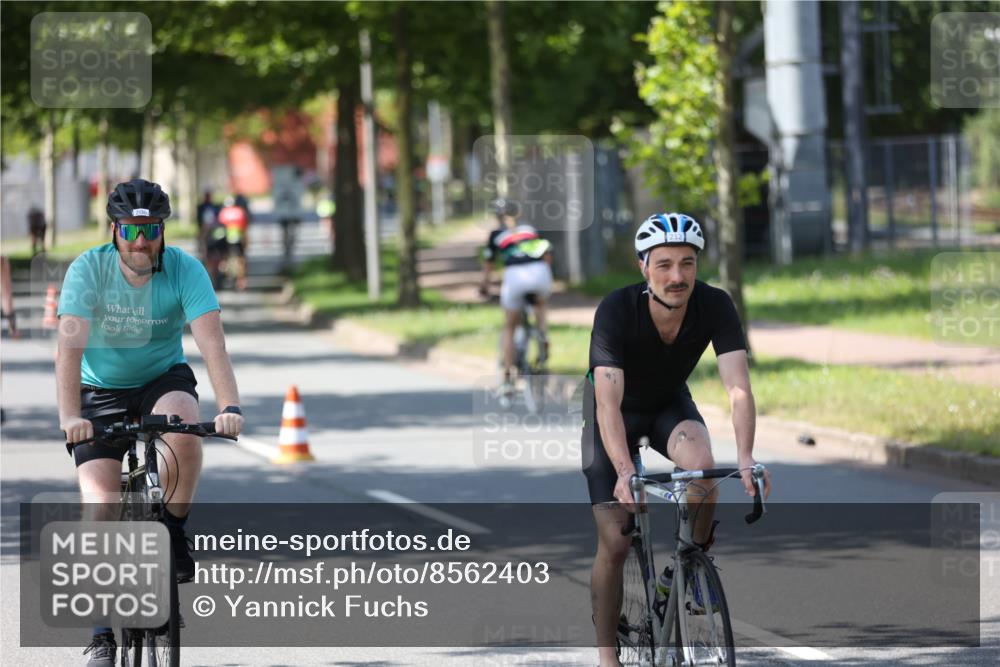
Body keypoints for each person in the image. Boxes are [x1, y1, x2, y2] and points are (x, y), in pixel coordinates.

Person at [57, 179, 243, 667]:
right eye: (130, 230)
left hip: (161, 377)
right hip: (98, 390)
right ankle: (101, 632)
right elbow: (69, 349)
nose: (140, 241)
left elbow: (211, 344)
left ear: (162, 230)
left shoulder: (184, 269)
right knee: (100, 503)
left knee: (184, 426)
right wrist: (70, 415)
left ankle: (174, 530)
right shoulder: (88, 270)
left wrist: (230, 406)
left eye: (150, 230)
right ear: (114, 230)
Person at [583, 212, 771, 667]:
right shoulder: (615, 309)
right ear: (643, 267)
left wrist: (745, 456)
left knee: (703, 467)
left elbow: (739, 388)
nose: (677, 275)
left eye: (687, 263)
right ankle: (608, 657)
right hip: (614, 414)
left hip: (669, 404)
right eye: (664, 264)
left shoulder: (715, 305)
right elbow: (607, 403)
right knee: (615, 540)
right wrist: (625, 472)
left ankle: (690, 564)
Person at [479, 198, 553, 399]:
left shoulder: (496, 234)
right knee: (540, 304)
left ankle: (506, 379)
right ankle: (542, 335)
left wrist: (484, 287)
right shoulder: (531, 229)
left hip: (514, 277)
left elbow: (489, 265)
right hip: (539, 272)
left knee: (510, 327)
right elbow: (547, 254)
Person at [218, 196, 249, 290]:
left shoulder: (223, 213)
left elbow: (219, 226)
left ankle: (224, 277)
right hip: (238, 239)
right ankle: (241, 282)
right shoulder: (240, 212)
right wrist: (246, 240)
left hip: (226, 240)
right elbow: (244, 228)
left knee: (224, 259)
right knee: (241, 260)